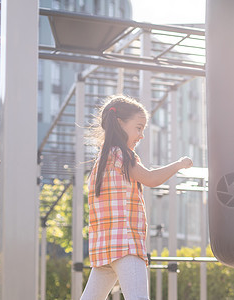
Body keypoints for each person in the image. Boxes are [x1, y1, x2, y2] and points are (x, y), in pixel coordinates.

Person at [81, 95, 193, 300]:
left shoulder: (102, 160)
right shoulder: (123, 156)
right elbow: (150, 178)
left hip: (105, 246)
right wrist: (178, 164)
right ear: (120, 124)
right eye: (139, 128)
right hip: (126, 243)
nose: (141, 135)